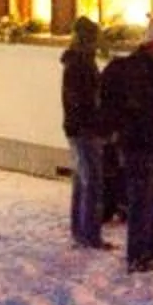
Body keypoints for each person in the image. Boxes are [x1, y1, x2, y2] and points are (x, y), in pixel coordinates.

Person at [102, 25, 153, 271]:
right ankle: (138, 254)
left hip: (143, 141)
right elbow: (148, 105)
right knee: (142, 198)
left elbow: (151, 101)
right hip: (140, 142)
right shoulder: (143, 70)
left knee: (150, 196)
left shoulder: (147, 67)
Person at [60, 16, 111, 251]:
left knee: (82, 181)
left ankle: (81, 231)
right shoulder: (82, 65)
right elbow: (86, 101)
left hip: (77, 128)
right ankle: (89, 233)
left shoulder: (77, 63)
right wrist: (98, 123)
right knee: (91, 182)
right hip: (85, 129)